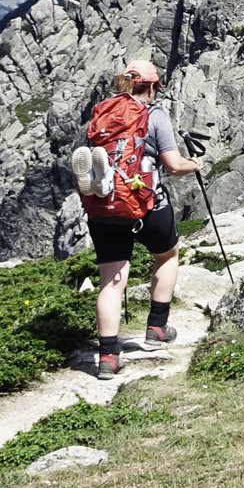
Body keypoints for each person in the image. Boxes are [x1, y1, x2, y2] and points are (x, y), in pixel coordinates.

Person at [75, 58, 203, 379]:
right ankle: (157, 328)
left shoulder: (102, 111)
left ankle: (107, 357)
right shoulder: (154, 114)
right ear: (152, 86)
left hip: (104, 209)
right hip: (145, 205)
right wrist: (194, 164)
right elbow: (172, 165)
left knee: (111, 282)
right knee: (168, 254)